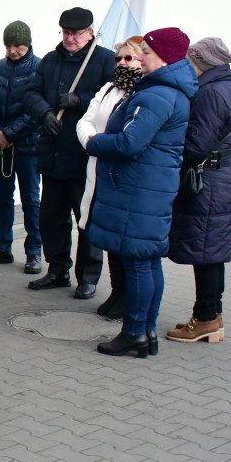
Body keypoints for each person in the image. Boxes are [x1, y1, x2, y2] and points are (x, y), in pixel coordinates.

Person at [85, 28, 195, 358]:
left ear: (163, 57)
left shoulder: (157, 95)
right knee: (146, 263)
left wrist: (94, 142)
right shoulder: (165, 91)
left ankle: (134, 332)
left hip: (138, 191)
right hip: (147, 188)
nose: (141, 56)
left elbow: (130, 143)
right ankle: (146, 332)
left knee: (136, 263)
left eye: (146, 51)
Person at [23, 7, 115, 299]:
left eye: (76, 33)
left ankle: (88, 277)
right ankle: (57, 269)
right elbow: (31, 93)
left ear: (90, 33)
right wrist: (45, 113)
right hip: (52, 153)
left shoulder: (104, 60)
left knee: (85, 219)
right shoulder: (51, 60)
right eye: (66, 33)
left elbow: (114, 98)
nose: (70, 39)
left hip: (83, 155)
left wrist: (80, 100)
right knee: (51, 217)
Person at [166, 37, 231, 343]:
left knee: (207, 253)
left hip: (211, 183)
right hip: (222, 178)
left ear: (200, 60)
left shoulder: (211, 93)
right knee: (213, 252)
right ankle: (213, 315)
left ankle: (205, 319)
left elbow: (196, 143)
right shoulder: (223, 86)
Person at [76, 36, 146, 318]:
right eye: (119, 59)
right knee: (107, 236)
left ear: (142, 60)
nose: (122, 63)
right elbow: (86, 120)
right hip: (98, 167)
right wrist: (91, 141)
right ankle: (117, 293)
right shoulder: (108, 89)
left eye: (129, 58)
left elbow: (129, 137)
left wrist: (100, 144)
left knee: (124, 239)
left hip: (122, 173)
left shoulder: (143, 92)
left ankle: (128, 298)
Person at [0, 20, 43, 273]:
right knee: (2, 198)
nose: (13, 50)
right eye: (9, 45)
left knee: (31, 200)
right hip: (0, 147)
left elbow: (38, 111)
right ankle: (2, 247)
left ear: (28, 44)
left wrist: (10, 134)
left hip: (28, 147)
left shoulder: (39, 69)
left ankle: (34, 251)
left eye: (18, 45)